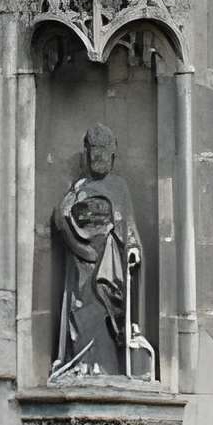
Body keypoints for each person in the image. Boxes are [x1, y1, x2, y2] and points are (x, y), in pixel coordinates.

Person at [50, 124, 153, 380]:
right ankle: (82, 363)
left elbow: (127, 223)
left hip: (110, 261)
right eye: (93, 153)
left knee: (105, 312)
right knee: (81, 309)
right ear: (87, 155)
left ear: (112, 157)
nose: (98, 159)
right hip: (81, 263)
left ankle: (107, 366)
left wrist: (133, 249)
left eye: (103, 154)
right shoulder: (79, 185)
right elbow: (60, 217)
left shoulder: (119, 186)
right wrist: (74, 236)